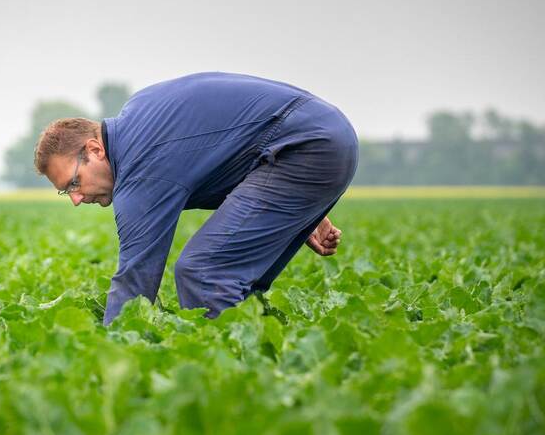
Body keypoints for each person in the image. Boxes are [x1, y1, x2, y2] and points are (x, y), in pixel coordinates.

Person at [35, 72, 358, 324]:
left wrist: (112, 354)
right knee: (234, 283)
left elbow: (135, 280)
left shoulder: (141, 168)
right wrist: (305, 209)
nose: (75, 198)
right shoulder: (141, 116)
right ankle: (261, 359)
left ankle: (234, 379)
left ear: (95, 149)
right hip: (319, 136)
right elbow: (229, 142)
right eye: (67, 191)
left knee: (205, 273)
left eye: (74, 182)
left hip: (304, 147)